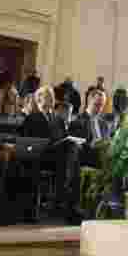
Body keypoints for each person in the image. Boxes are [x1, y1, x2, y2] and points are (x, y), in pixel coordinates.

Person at [20, 86, 82, 224]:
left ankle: (71, 207)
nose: (51, 100)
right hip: (40, 156)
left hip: (58, 157)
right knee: (70, 156)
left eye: (52, 97)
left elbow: (64, 138)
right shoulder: (32, 118)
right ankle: (63, 197)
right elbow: (26, 141)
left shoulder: (57, 119)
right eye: (47, 97)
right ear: (38, 99)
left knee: (73, 151)